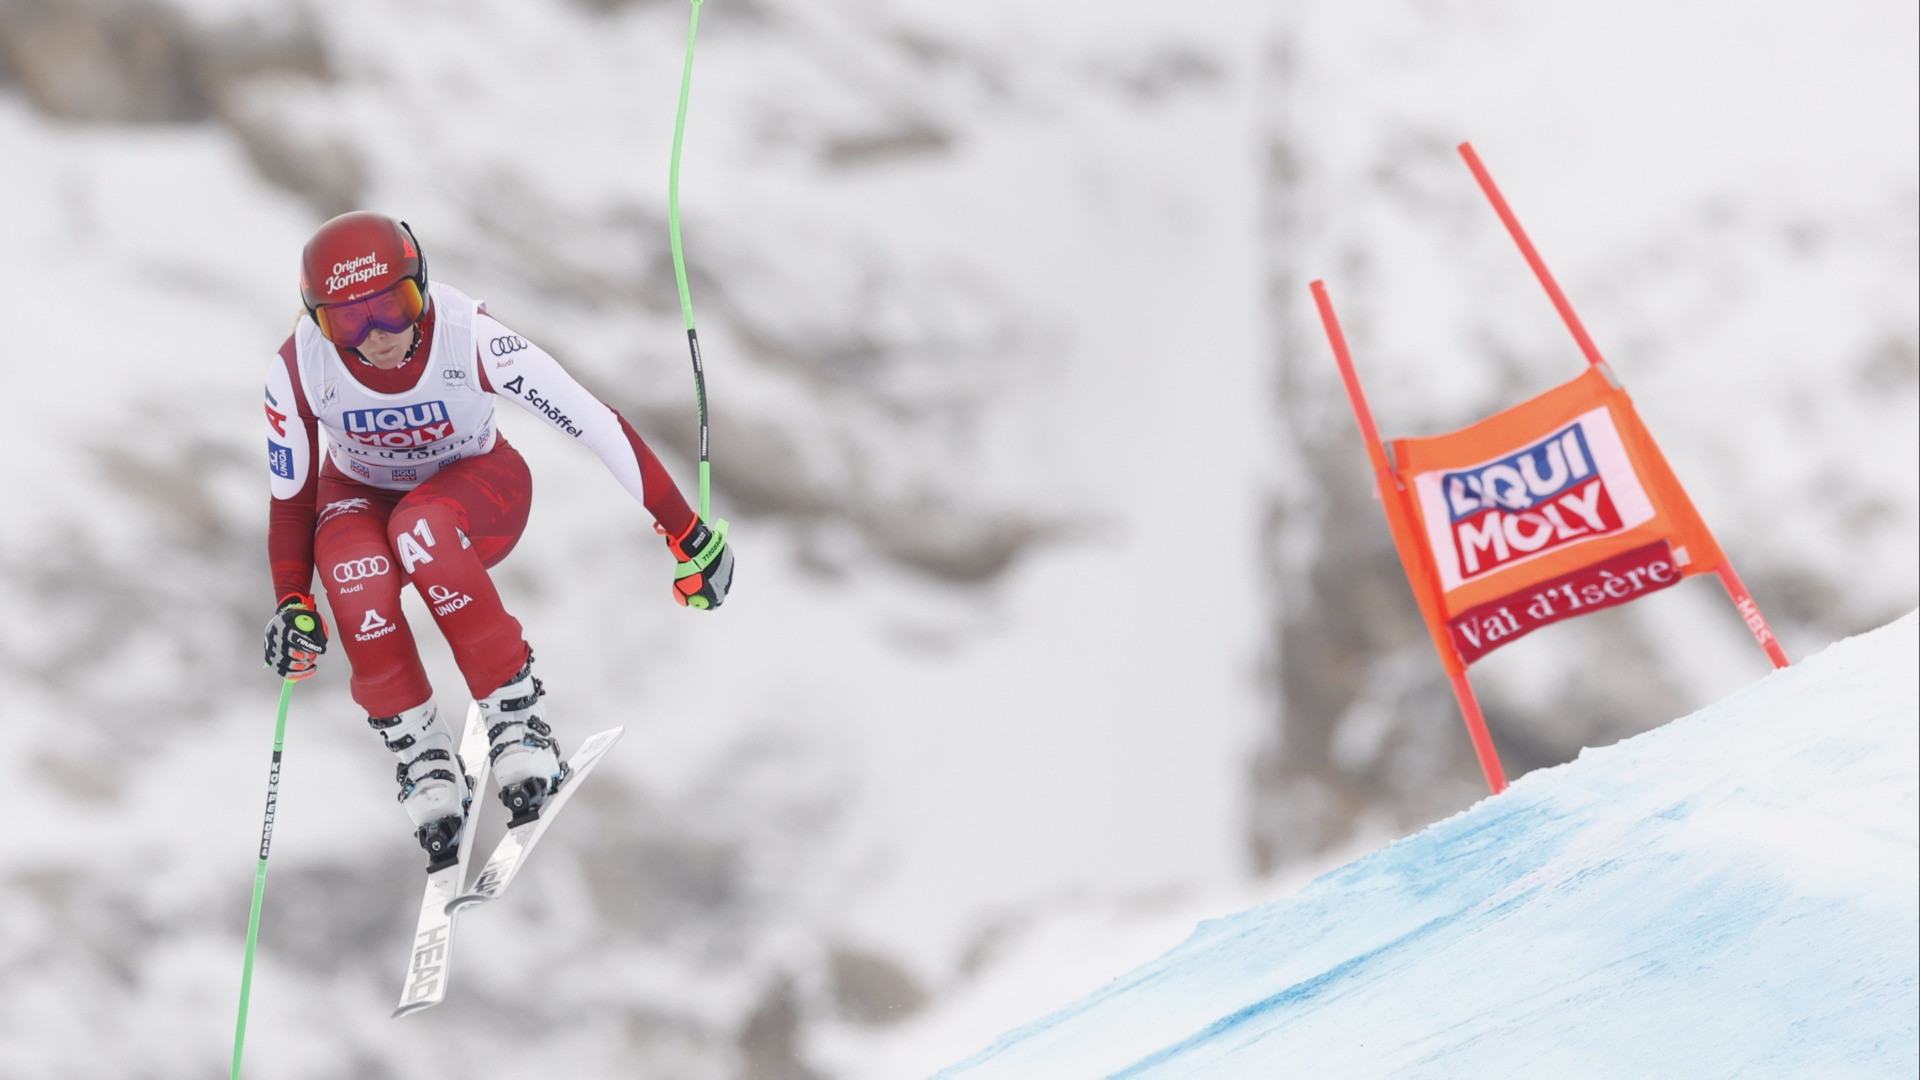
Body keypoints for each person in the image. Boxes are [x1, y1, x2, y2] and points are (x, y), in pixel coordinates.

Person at [260, 211, 734, 870]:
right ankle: (422, 755)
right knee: (350, 568)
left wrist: (686, 532)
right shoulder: (299, 368)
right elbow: (291, 502)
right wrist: (292, 602)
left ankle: (516, 721)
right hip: (359, 495)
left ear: (423, 288)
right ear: (318, 322)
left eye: (395, 307)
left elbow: (595, 423)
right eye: (349, 322)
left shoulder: (467, 336)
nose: (378, 336)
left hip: (478, 492)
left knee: (419, 531)